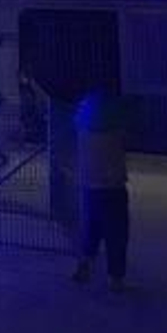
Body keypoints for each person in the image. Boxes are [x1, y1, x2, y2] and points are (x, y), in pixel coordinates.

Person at [71, 89, 130, 291]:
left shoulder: (83, 133)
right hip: (113, 188)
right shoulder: (115, 134)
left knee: (91, 228)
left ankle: (86, 264)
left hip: (90, 188)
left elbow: (77, 117)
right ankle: (116, 277)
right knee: (117, 233)